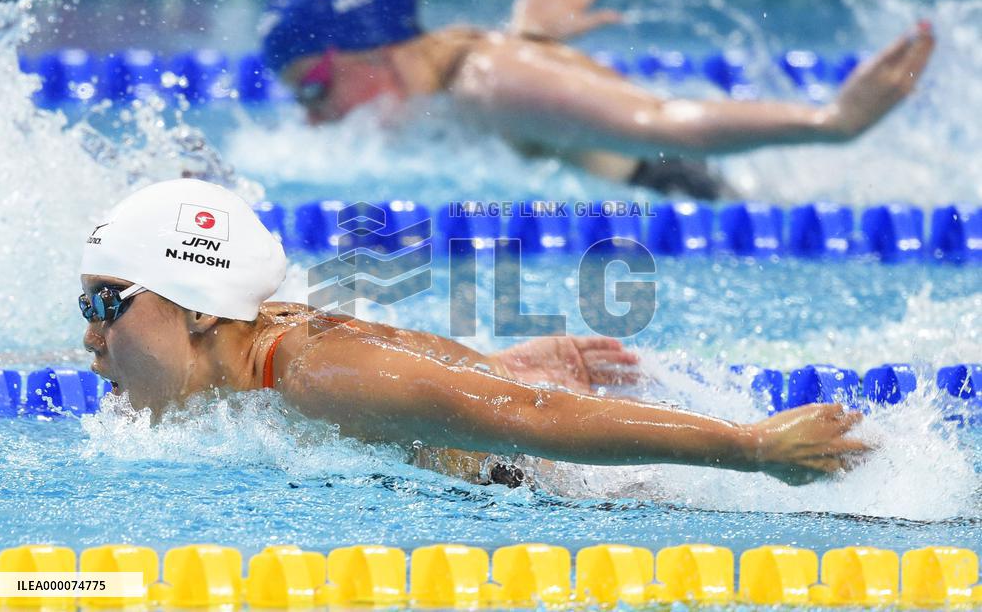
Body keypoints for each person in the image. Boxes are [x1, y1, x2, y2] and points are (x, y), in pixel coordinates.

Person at [80, 179, 869, 488]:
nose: (88, 339)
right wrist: (489, 368)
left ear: (197, 307)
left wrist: (749, 448)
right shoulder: (268, 346)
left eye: (104, 304)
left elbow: (533, 420)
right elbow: (403, 370)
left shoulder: (311, 376)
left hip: (591, 491)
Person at [258, 0, 935, 199]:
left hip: (697, 196)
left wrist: (831, 121)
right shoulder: (457, 77)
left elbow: (662, 121)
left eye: (314, 87)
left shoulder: (489, 82)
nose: (311, 116)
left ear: (372, 47)